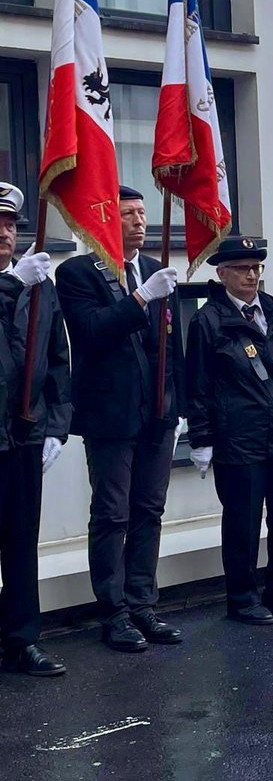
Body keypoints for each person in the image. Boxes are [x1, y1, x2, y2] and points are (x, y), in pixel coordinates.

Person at [56, 186, 185, 652]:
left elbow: (173, 347)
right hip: (111, 416)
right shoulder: (76, 272)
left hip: (157, 412)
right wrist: (139, 300)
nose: (139, 221)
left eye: (142, 213)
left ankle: (142, 603)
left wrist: (178, 405)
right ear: (106, 220)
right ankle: (114, 613)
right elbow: (90, 333)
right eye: (128, 214)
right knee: (112, 513)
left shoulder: (152, 269)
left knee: (149, 510)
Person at [185, 236, 273, 624]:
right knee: (242, 522)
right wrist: (201, 437)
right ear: (222, 273)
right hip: (238, 435)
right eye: (242, 269)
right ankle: (242, 598)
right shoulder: (207, 321)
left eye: (256, 268)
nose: (251, 275)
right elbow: (198, 384)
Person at [0, 185, 67, 675]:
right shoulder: (19, 283)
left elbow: (58, 362)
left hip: (24, 434)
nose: (5, 234)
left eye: (9, 225)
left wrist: (56, 428)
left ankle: (22, 641)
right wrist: (11, 286)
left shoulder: (39, 284)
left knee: (22, 543)